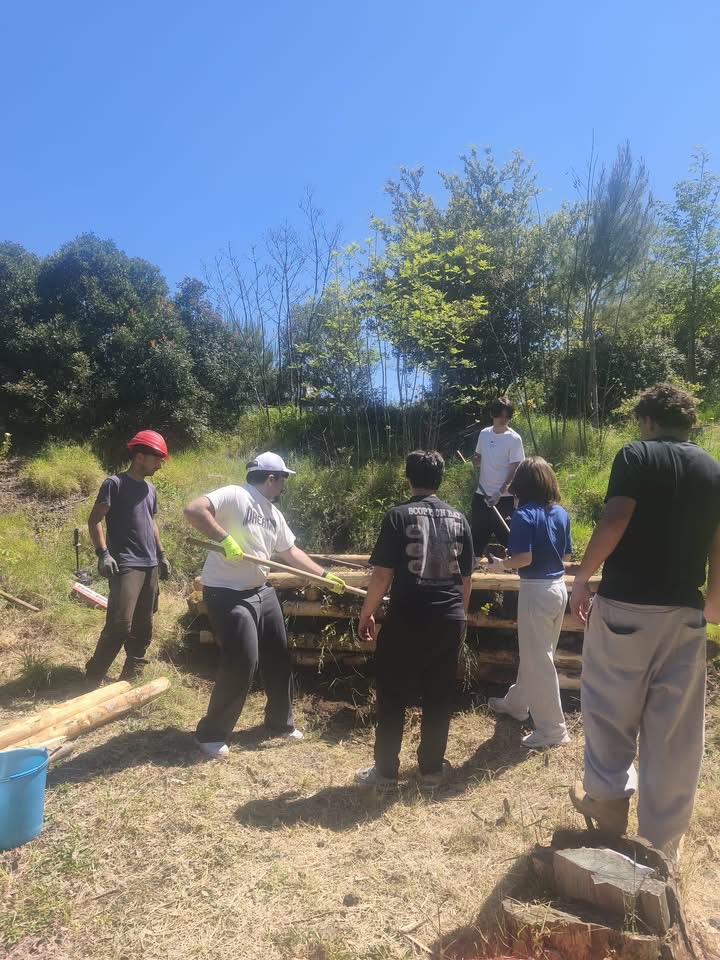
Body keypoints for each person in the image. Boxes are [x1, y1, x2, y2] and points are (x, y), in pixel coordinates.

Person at [569, 383, 720, 858]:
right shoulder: (713, 469)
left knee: (609, 708)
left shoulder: (636, 455)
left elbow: (616, 519)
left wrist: (582, 578)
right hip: (685, 613)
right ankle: (662, 844)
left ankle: (608, 803)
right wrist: (714, 605)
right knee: (675, 733)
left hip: (625, 608)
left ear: (648, 421)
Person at [184, 452, 347, 759]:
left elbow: (290, 552)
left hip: (261, 590)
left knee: (278, 656)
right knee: (243, 659)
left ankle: (279, 724)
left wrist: (324, 576)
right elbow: (194, 510)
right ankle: (211, 733)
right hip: (227, 593)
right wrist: (225, 539)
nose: (284, 485)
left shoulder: (273, 513)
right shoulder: (236, 495)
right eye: (283, 479)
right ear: (272, 478)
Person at [355, 450, 474, 789]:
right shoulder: (459, 518)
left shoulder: (397, 516)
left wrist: (367, 612)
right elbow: (466, 578)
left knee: (392, 694)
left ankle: (385, 773)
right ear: (441, 479)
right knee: (438, 694)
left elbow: (382, 575)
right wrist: (460, 617)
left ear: (408, 478)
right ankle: (431, 771)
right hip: (448, 618)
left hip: (407, 618)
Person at [486, 457, 573, 748]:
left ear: (521, 485)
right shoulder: (560, 513)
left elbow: (523, 559)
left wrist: (500, 565)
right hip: (558, 588)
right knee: (537, 655)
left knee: (539, 660)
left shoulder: (523, 515)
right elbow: (566, 557)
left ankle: (553, 729)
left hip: (536, 591)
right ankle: (517, 703)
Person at [85, 430, 171, 683]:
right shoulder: (115, 484)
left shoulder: (150, 489)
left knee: (144, 627)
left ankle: (131, 676)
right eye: (157, 459)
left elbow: (151, 522)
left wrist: (162, 554)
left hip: (150, 564)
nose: (160, 464)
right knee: (120, 624)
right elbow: (94, 520)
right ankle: (94, 675)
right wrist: (103, 553)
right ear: (140, 456)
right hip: (126, 563)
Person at [470, 397, 524, 558]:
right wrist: (476, 461)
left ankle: (515, 568)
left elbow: (516, 468)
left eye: (507, 416)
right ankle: (473, 567)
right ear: (493, 415)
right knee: (476, 538)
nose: (504, 419)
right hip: (482, 494)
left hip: (505, 498)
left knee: (508, 539)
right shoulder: (484, 434)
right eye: (501, 415)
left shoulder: (514, 438)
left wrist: (500, 492)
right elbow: (479, 457)